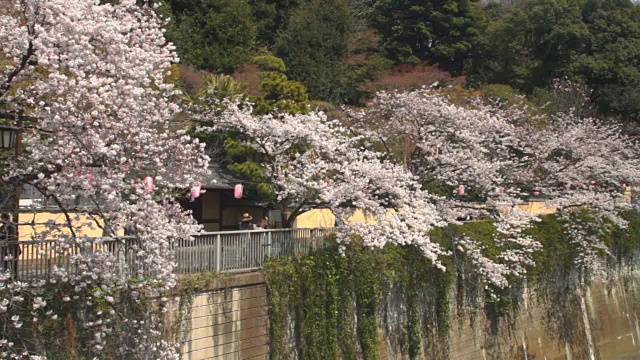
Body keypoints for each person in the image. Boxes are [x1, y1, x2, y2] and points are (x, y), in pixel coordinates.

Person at [0, 213, 20, 280]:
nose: (3, 221)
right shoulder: (2, 227)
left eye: (3, 219)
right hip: (4, 247)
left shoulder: (12, 226)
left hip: (12, 247)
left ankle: (14, 276)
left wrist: (3, 236)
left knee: (13, 262)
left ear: (7, 219)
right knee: (5, 262)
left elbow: (12, 236)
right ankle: (6, 276)